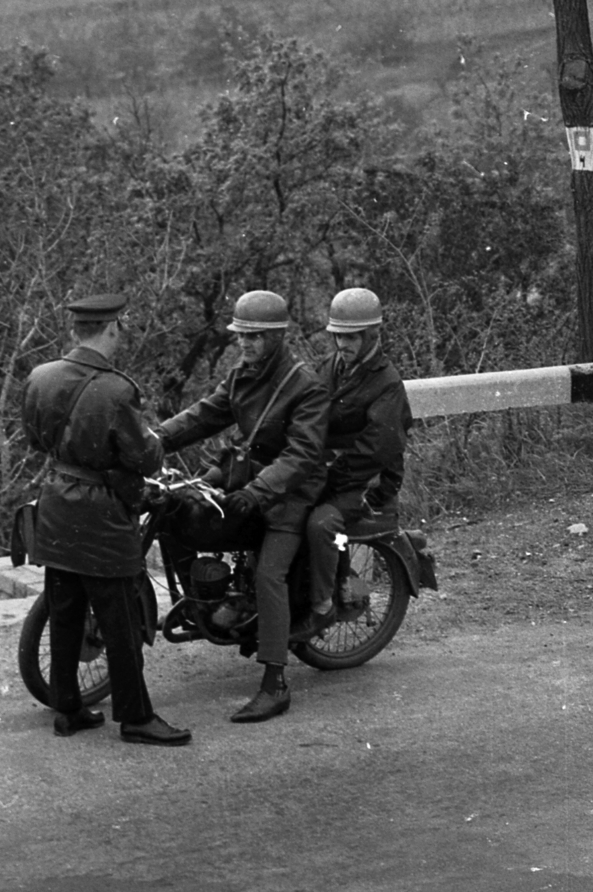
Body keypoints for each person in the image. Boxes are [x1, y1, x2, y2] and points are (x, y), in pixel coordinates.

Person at [21, 293, 191, 747]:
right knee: (120, 619)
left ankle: (67, 708)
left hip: (55, 505)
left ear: (78, 330)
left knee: (65, 611)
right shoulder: (117, 390)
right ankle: (136, 717)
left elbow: (35, 438)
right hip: (100, 515)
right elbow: (146, 456)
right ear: (113, 327)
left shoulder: (40, 376)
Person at [156, 290, 329, 723]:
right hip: (245, 482)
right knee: (175, 512)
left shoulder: (305, 385)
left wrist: (256, 493)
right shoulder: (242, 375)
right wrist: (155, 439)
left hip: (288, 497)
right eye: (240, 337)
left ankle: (275, 684)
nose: (245, 344)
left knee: (271, 574)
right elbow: (204, 415)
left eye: (253, 337)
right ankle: (203, 607)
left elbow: (302, 455)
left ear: (276, 336)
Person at [294, 287, 413, 641]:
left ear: (371, 335)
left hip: (366, 483)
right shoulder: (330, 367)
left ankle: (321, 608)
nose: (342, 344)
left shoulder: (387, 383)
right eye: (338, 336)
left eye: (351, 337)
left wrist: (327, 479)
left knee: (320, 524)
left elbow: (377, 449)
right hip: (329, 472)